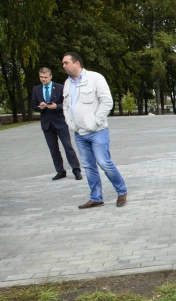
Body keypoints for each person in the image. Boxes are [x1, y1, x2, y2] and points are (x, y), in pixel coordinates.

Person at [61, 52, 128, 209]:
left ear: (76, 63)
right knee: (89, 167)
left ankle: (121, 191)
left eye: (66, 63)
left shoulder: (95, 78)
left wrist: (96, 121)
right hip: (79, 133)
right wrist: (70, 123)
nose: (63, 66)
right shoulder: (67, 83)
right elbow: (66, 106)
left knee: (104, 163)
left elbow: (107, 102)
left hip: (97, 131)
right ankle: (96, 198)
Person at [31, 67, 82, 181]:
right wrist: (40, 107)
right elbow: (33, 105)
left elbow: (67, 104)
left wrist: (56, 106)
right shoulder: (36, 89)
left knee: (68, 146)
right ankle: (60, 171)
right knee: (53, 149)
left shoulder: (60, 87)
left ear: (50, 77)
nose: (43, 79)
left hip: (60, 122)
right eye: (41, 77)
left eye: (45, 77)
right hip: (46, 124)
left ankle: (76, 170)